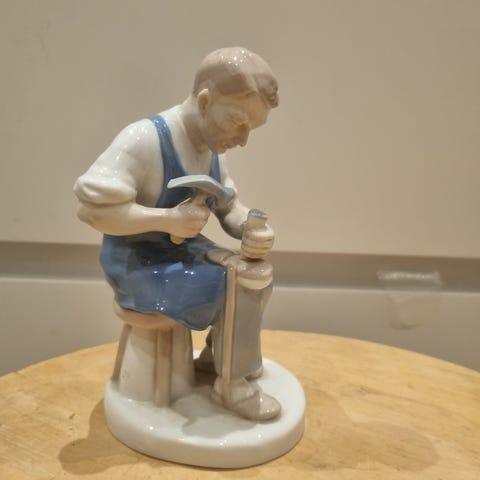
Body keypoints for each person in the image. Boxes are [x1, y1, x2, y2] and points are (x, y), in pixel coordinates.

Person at [74, 47, 280, 420]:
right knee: (229, 284)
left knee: (256, 275)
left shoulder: (213, 148)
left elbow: (229, 206)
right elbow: (93, 210)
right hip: (136, 263)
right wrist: (167, 219)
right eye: (238, 121)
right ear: (205, 101)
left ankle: (220, 358)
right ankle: (233, 385)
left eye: (253, 127)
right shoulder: (143, 140)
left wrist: (250, 228)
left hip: (181, 252)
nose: (243, 139)